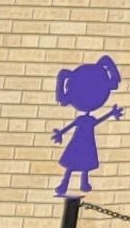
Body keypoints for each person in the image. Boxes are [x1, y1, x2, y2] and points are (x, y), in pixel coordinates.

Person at [51, 56, 124, 199]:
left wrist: (112, 113)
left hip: (86, 143)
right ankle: (65, 183)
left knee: (83, 163)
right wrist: (61, 133)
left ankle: (83, 182)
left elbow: (97, 121)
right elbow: (73, 125)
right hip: (80, 142)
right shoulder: (83, 119)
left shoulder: (88, 120)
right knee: (74, 163)